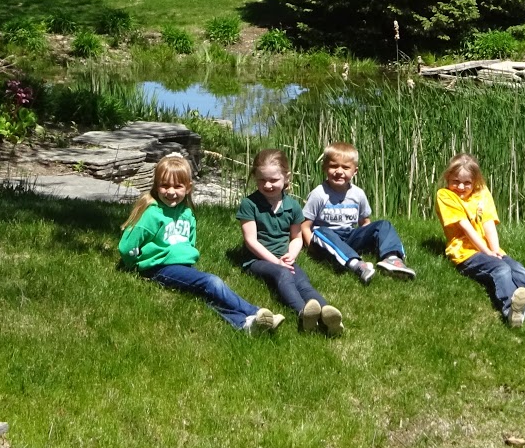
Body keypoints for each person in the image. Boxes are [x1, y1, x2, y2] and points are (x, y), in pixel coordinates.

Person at [118, 153, 283, 333]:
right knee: (212, 282)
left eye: (177, 186)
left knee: (206, 294)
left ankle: (245, 324)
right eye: (164, 186)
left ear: (188, 188)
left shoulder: (187, 213)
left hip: (183, 267)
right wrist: (134, 265)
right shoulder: (152, 214)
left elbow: (189, 241)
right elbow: (127, 245)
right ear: (156, 186)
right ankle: (255, 311)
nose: (171, 192)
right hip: (158, 268)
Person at [436, 153, 525, 327]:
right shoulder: (445, 195)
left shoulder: (482, 192)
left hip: (489, 250)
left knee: (517, 269)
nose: (460, 186)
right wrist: (487, 252)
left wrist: (496, 250)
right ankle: (512, 309)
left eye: (467, 183)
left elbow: (488, 222)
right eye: (455, 181)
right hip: (465, 253)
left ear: (475, 181)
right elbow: (466, 228)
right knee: (501, 269)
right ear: (448, 177)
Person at [237, 149, 344, 336]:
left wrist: (291, 255)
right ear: (255, 177)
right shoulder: (249, 204)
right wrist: (276, 262)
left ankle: (328, 314)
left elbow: (296, 237)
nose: (268, 185)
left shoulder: (292, 206)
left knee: (303, 283)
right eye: (262, 180)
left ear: (286, 177)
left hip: (284, 258)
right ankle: (304, 314)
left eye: (273, 180)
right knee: (283, 275)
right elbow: (250, 240)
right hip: (257, 260)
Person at [301, 141, 415, 284]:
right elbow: (305, 226)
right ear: (325, 168)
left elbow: (365, 223)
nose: (339, 171)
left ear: (355, 171)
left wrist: (368, 237)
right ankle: (357, 265)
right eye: (333, 166)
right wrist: (312, 250)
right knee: (321, 231)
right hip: (327, 239)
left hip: (349, 235)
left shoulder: (358, 194)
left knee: (384, 225)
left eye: (346, 167)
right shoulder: (319, 194)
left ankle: (392, 258)